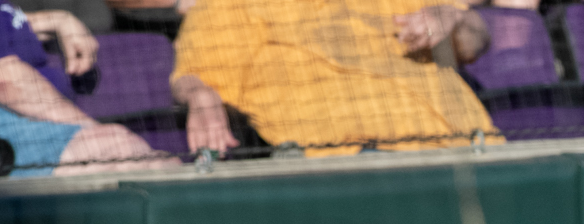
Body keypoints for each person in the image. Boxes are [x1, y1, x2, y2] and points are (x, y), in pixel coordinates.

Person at [170, 0, 497, 157]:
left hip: (457, 144)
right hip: (338, 156)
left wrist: (451, 16)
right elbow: (192, 73)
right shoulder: (226, 5)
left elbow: (476, 41)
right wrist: (199, 94)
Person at [0, 0, 172, 175]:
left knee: (162, 164)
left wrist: (60, 19)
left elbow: (0, 28)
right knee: (122, 153)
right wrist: (89, 128)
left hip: (30, 122)